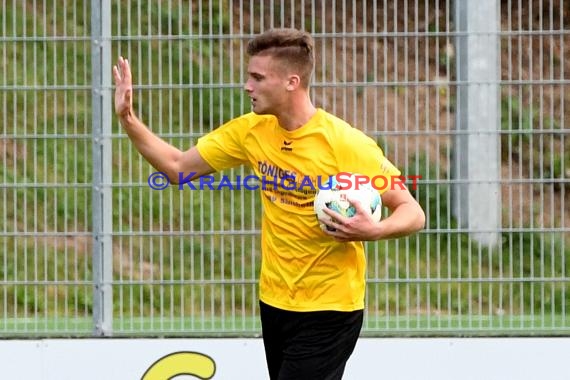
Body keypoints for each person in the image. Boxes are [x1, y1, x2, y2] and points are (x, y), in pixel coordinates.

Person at [113, 28, 425, 380]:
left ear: (292, 82)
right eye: (249, 76)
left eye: (257, 78)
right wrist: (128, 119)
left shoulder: (345, 144)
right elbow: (177, 168)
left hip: (330, 308)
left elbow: (413, 212)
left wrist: (374, 229)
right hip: (275, 303)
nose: (247, 86)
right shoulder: (251, 131)